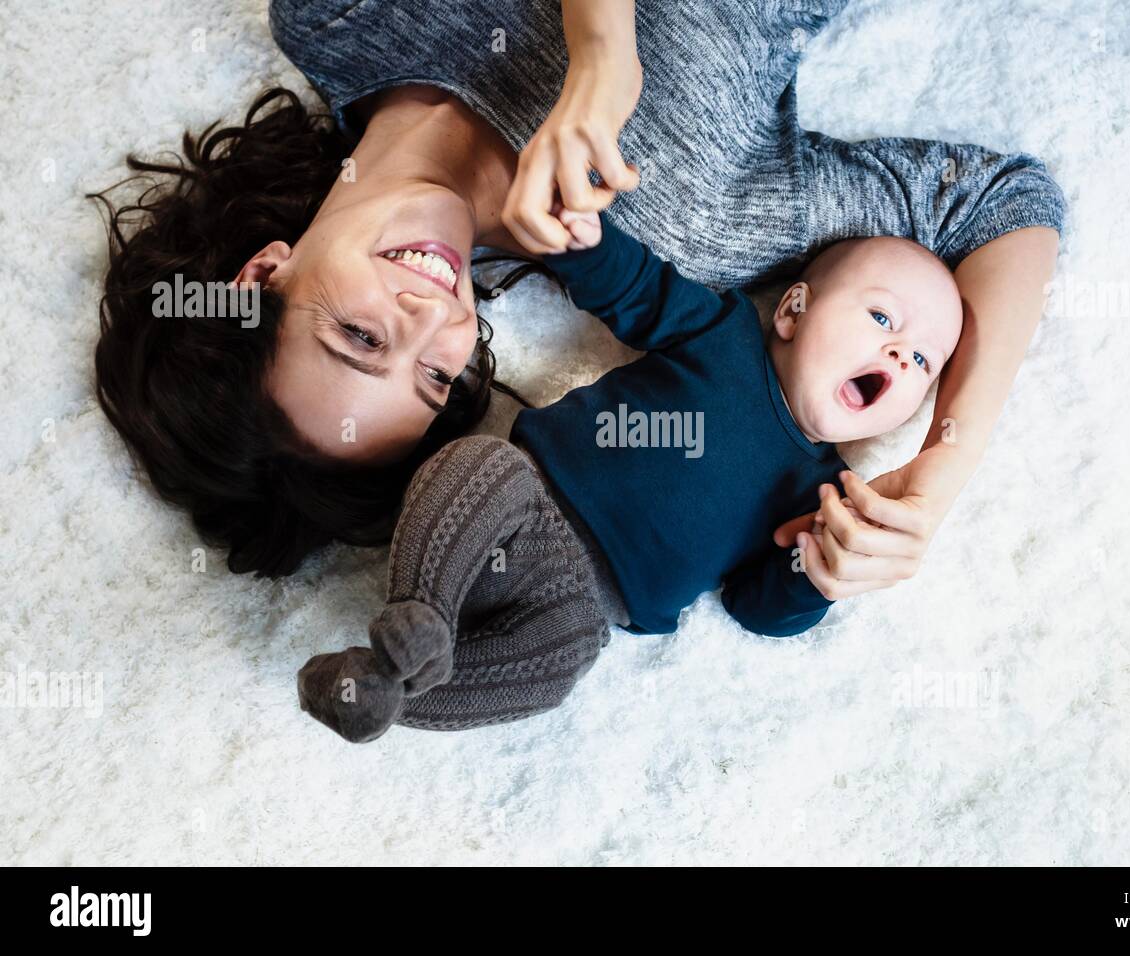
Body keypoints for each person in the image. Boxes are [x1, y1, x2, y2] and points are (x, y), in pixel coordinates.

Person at [91, 0, 1064, 602]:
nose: (430, 311)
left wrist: (602, 46)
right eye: (434, 373)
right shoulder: (677, 233)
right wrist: (934, 480)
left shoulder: (336, 15)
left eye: (358, 333)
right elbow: (1003, 206)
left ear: (260, 275)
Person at [297, 206, 964, 740]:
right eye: (882, 319)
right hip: (530, 496)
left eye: (924, 363)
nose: (901, 354)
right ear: (793, 310)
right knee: (477, 466)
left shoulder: (822, 493)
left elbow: (756, 605)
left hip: (585, 603)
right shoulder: (722, 332)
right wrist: (581, 237)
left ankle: (391, 692)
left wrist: (815, 575)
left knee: (557, 669)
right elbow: (637, 289)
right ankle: (423, 607)